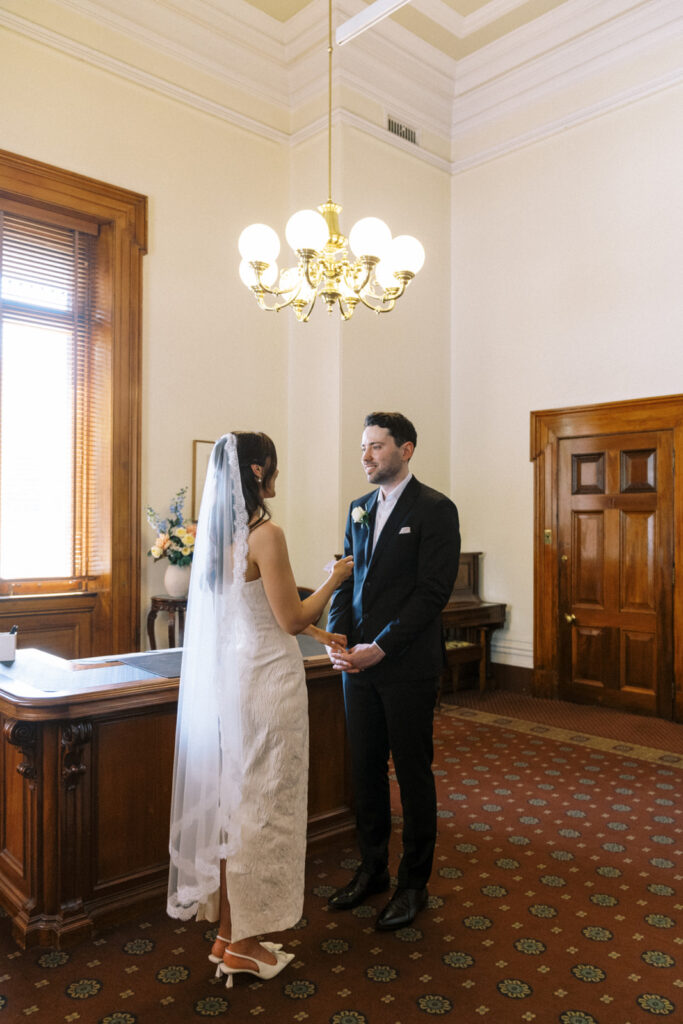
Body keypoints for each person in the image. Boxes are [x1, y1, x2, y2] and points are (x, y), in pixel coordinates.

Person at [167, 431, 353, 987]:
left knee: (239, 805)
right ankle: (245, 943)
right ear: (256, 473)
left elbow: (261, 613)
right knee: (264, 810)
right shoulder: (265, 534)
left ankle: (229, 933)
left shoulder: (217, 539)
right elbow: (289, 618)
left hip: (238, 681)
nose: (276, 476)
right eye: (271, 467)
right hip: (271, 684)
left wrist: (321, 632)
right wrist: (335, 578)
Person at [326, 412, 460, 931]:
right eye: (363, 447)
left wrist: (379, 647)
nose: (365, 455)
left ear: (405, 450)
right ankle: (372, 868)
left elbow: (432, 593)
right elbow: (345, 580)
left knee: (411, 772)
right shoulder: (359, 509)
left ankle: (413, 884)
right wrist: (340, 641)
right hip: (355, 667)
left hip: (405, 666)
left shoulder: (435, 509)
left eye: (376, 447)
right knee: (364, 770)